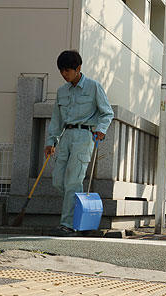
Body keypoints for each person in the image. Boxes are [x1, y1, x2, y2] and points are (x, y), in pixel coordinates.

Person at [45, 50, 114, 236]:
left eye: (67, 70)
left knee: (73, 181)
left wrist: (101, 128)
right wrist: (51, 141)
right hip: (66, 135)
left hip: (85, 136)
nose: (64, 74)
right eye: (61, 71)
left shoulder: (93, 87)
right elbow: (57, 119)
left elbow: (107, 112)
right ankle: (80, 218)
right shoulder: (61, 91)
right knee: (58, 180)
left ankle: (68, 224)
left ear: (78, 68)